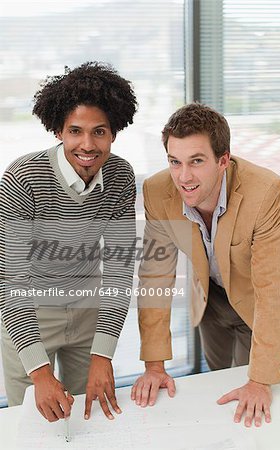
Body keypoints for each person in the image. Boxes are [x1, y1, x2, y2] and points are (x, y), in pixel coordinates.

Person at [131, 103, 280, 427]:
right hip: (211, 301)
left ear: (223, 160)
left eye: (196, 161)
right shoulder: (157, 190)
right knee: (219, 386)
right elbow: (155, 276)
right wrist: (154, 364)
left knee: (256, 404)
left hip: (259, 306)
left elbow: (274, 291)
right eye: (174, 162)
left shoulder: (266, 192)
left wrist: (260, 381)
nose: (183, 176)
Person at [0, 61, 138, 422]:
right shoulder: (22, 178)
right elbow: (11, 279)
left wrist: (103, 355)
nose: (87, 145)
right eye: (75, 130)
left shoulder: (121, 176)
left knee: (90, 418)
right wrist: (40, 374)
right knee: (32, 423)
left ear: (114, 132)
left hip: (88, 310)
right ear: (58, 130)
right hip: (29, 312)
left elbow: (120, 272)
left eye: (100, 131)